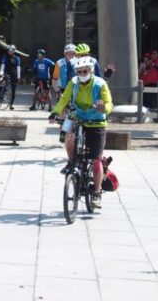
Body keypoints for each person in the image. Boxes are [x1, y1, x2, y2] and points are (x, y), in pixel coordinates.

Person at [49, 55, 113, 209]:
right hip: (78, 118)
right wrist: (55, 112)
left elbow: (109, 103)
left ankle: (96, 193)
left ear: (91, 70)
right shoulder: (74, 82)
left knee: (96, 159)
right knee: (68, 137)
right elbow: (64, 99)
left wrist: (104, 108)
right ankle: (72, 162)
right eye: (79, 71)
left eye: (85, 71)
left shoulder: (100, 84)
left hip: (96, 121)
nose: (82, 74)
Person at [0, 45, 21, 110]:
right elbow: (2, 65)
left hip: (14, 75)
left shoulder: (17, 58)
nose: (10, 51)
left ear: (14, 51)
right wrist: (1, 74)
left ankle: (11, 104)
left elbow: (18, 68)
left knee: (13, 90)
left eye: (11, 50)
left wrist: (19, 77)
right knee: (2, 84)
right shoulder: (5, 57)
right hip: (6, 73)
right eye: (9, 50)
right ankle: (0, 96)